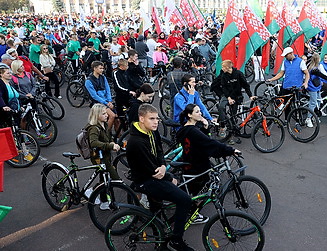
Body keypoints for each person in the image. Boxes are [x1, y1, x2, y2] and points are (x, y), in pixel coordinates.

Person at [126, 104, 194, 251]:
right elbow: (151, 169)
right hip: (145, 180)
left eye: (157, 118)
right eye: (151, 118)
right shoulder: (136, 142)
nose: (156, 122)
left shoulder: (153, 132)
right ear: (141, 119)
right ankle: (176, 240)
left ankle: (160, 243)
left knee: (156, 210)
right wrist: (169, 177)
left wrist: (163, 166)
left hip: (155, 174)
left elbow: (159, 153)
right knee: (185, 200)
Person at [177, 103, 239, 196]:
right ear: (190, 115)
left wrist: (205, 128)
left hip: (189, 161)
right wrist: (230, 150)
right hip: (196, 164)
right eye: (197, 112)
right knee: (202, 184)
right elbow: (209, 143)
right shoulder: (193, 131)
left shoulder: (186, 128)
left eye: (200, 111)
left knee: (193, 185)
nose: (200, 113)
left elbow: (200, 140)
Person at [86, 103, 121, 210]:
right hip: (98, 157)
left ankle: (104, 201)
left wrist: (112, 143)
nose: (107, 115)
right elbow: (93, 143)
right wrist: (110, 145)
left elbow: (108, 136)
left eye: (106, 113)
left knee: (104, 177)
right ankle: (92, 192)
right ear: (96, 115)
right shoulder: (93, 128)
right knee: (115, 178)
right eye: (104, 114)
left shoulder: (104, 125)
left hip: (105, 155)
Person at [267, 47, 310, 119]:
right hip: (286, 86)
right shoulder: (285, 62)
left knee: (297, 105)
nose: (285, 57)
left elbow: (307, 73)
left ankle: (297, 121)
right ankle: (287, 120)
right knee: (286, 105)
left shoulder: (300, 61)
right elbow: (281, 73)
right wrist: (272, 79)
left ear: (291, 54)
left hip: (296, 87)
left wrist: (306, 83)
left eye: (286, 55)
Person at [218, 60, 256, 138]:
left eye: (223, 67)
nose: (222, 69)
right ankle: (223, 126)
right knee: (221, 107)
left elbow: (246, 85)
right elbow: (224, 88)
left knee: (233, 115)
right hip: (227, 96)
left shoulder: (238, 74)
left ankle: (232, 133)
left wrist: (250, 96)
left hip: (236, 96)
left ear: (228, 67)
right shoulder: (223, 75)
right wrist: (228, 98)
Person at [85, 61, 116, 131]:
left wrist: (109, 100)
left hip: (106, 101)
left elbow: (107, 88)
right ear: (94, 68)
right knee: (112, 116)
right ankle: (106, 132)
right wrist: (106, 103)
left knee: (117, 117)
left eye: (103, 68)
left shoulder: (103, 77)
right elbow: (94, 96)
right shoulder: (88, 81)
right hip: (97, 102)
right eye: (100, 68)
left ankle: (118, 135)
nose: (102, 70)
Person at [306, 53, 327, 124]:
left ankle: (314, 116)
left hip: (317, 86)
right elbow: (322, 75)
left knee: (319, 100)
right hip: (312, 87)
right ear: (317, 59)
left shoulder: (317, 66)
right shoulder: (313, 69)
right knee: (313, 103)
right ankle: (308, 118)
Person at [0, 63, 20, 127]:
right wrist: (3, 106)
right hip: (7, 111)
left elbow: (16, 95)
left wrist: (21, 105)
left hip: (15, 110)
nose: (10, 74)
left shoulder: (10, 83)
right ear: (1, 75)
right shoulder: (1, 84)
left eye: (10, 73)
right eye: (8, 73)